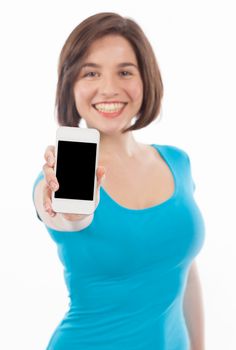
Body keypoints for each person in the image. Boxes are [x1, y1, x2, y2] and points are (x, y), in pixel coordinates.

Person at [32, 12, 206, 350]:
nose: (109, 88)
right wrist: (67, 210)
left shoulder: (177, 162)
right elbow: (61, 212)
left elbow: (183, 268)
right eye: (91, 72)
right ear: (71, 85)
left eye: (125, 71)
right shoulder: (56, 177)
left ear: (146, 79)